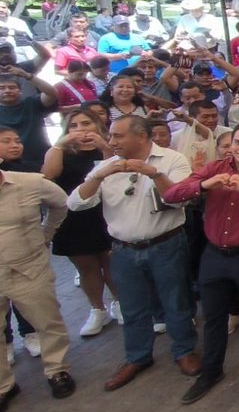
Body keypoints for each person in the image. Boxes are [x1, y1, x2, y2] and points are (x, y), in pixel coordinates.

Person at [66, 115, 200, 389]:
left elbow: (181, 199)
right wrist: (99, 177)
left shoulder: (172, 160)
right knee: (132, 307)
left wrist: (155, 174)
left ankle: (184, 351)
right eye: (111, 136)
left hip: (166, 244)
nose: (111, 141)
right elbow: (76, 203)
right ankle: (138, 357)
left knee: (176, 301)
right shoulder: (105, 166)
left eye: (117, 136)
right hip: (124, 250)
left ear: (141, 136)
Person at [163, 122, 239, 404]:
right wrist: (203, 185)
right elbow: (170, 195)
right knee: (214, 317)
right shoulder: (215, 168)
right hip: (214, 255)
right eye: (238, 143)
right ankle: (211, 370)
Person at [0, 164, 76, 411]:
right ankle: (4, 386)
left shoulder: (30, 182)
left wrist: (46, 234)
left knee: (47, 321)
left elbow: (62, 203)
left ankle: (57, 370)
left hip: (28, 267)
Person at [43, 111, 119, 337]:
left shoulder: (109, 146)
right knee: (87, 267)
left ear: (97, 125)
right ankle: (97, 309)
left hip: (106, 212)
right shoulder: (60, 151)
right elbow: (49, 175)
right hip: (73, 216)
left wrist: (104, 146)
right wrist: (59, 144)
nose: (80, 129)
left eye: (86, 123)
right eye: (73, 125)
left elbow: (116, 171)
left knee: (112, 263)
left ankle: (119, 302)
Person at [0, 70, 58, 166]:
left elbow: (52, 93)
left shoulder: (32, 103)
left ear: (20, 92)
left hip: (40, 159)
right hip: (4, 164)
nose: (7, 90)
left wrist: (27, 76)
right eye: (2, 88)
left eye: (12, 87)